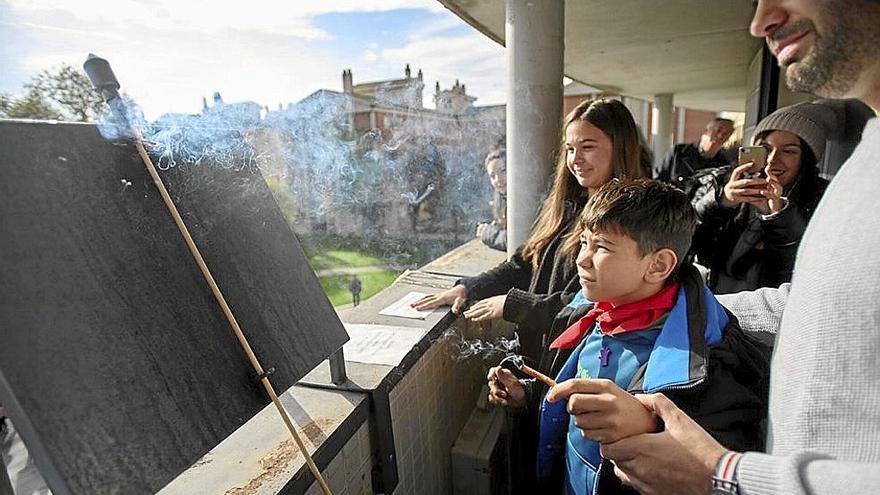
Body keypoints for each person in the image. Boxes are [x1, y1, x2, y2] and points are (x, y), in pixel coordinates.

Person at [597, 1, 880, 494]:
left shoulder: (823, 194)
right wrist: (684, 305)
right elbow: (809, 301)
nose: (759, 23)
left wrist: (725, 476)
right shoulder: (864, 166)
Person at [488, 179, 770, 494]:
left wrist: (651, 425)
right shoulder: (592, 311)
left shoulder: (709, 360)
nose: (582, 258)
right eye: (584, 241)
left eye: (602, 247)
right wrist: (529, 396)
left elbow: (726, 467)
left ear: (658, 265)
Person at [411, 98, 649, 361]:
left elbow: (592, 306)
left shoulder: (628, 223)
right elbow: (526, 263)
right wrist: (469, 288)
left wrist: (514, 305)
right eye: (570, 149)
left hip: (577, 364)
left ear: (621, 148)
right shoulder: (569, 207)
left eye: (588, 147)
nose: (576, 159)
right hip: (541, 359)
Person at [691, 101, 833, 293]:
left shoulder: (823, 200)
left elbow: (799, 274)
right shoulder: (726, 182)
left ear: (805, 159)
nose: (772, 160)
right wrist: (721, 202)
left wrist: (778, 217)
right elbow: (687, 241)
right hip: (714, 302)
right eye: (765, 148)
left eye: (789, 151)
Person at [654, 117, 735, 192]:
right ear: (706, 131)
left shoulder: (723, 165)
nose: (720, 135)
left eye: (726, 134)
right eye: (718, 130)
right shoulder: (678, 152)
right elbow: (658, 180)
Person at [475, 148, 508, 251]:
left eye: (503, 171)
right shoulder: (501, 198)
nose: (498, 179)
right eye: (492, 176)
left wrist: (487, 233)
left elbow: (514, 241)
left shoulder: (525, 198)